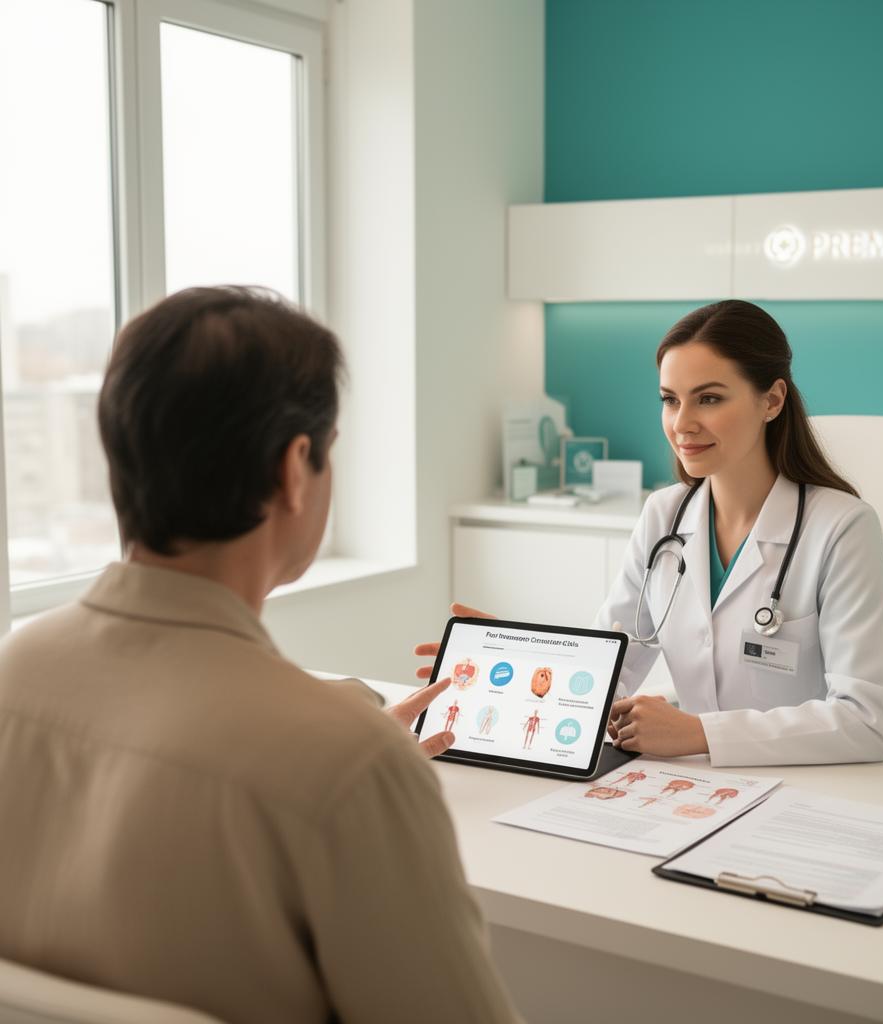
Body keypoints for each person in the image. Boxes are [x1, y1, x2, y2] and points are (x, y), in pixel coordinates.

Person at [0, 287, 521, 1024]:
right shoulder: (352, 765)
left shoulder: (18, 669)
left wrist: (344, 721)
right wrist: (355, 749)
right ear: (294, 467)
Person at [417, 300, 883, 767]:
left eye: (709, 398)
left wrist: (697, 733)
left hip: (809, 790)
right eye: (670, 400)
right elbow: (608, 667)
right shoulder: (664, 515)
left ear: (771, 400)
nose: (682, 423)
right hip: (694, 784)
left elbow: (868, 721)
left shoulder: (841, 527)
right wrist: (514, 662)